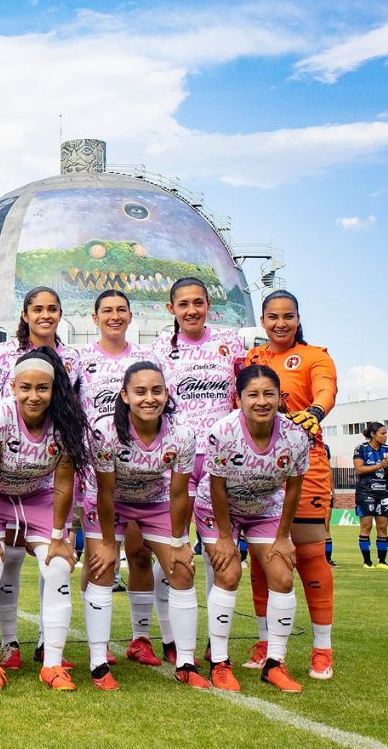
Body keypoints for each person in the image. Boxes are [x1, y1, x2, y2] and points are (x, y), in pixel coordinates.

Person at [83, 361, 210, 690]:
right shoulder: (105, 432)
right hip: (111, 501)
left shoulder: (182, 434)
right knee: (101, 567)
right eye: (140, 391)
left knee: (182, 569)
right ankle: (98, 662)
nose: (149, 398)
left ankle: (184, 660)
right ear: (124, 396)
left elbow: (179, 493)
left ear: (167, 394)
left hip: (155, 501)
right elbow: (107, 491)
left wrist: (181, 540)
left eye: (157, 391)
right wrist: (110, 543)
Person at [0, 347, 90, 691]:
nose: (34, 396)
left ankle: (52, 664)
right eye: (26, 388)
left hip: (37, 497)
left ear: (54, 390)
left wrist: (58, 536)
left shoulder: (67, 422)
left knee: (57, 566)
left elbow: (64, 482)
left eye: (42, 388)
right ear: (13, 387)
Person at [0, 286, 83, 671]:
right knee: (2, 560)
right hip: (5, 472)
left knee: (55, 562)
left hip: (45, 473)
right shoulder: (4, 356)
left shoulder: (72, 357)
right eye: (37, 308)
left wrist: (60, 534)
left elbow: (73, 414)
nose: (45, 314)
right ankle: (6, 647)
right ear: (24, 314)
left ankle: (48, 648)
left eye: (52, 308)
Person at [197, 364, 308, 693]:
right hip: (219, 509)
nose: (261, 401)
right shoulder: (223, 431)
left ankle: (274, 663)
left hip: (264, 509)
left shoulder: (296, 436)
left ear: (280, 397)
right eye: (253, 394)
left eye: (269, 394)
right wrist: (226, 538)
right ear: (239, 398)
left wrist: (284, 536)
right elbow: (216, 487)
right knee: (229, 574)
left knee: (283, 577)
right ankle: (219, 662)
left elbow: (294, 488)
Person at [245, 290, 338, 680]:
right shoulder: (254, 359)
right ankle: (266, 642)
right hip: (260, 467)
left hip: (307, 464)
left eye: (288, 316)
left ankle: (322, 649)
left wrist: (315, 411)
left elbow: (326, 391)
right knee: (262, 559)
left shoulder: (316, 355)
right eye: (273, 317)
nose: (280, 323)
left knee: (310, 552)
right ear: (263, 321)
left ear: (298, 319)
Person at [150, 275, 243, 660]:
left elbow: (244, 396)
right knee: (170, 551)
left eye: (198, 302)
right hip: (175, 464)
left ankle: (213, 642)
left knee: (218, 552)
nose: (191, 310)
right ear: (170, 308)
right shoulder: (157, 350)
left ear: (209, 306)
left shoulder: (230, 344)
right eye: (183, 303)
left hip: (222, 464)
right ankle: (171, 638)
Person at [78, 290, 162, 667]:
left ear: (131, 316)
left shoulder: (149, 361)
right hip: (94, 469)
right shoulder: (81, 360)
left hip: (141, 475)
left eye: (121, 310)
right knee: (98, 558)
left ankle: (140, 638)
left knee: (140, 552)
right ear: (94, 318)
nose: (114, 316)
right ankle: (96, 640)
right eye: (107, 311)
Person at [353, 422, 388, 568]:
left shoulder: (387, 450)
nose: (385, 436)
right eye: (382, 433)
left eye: (386, 433)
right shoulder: (361, 449)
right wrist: (380, 465)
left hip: (384, 493)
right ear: (373, 434)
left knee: (383, 528)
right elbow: (359, 470)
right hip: (365, 492)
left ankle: (382, 562)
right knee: (366, 527)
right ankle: (367, 562)